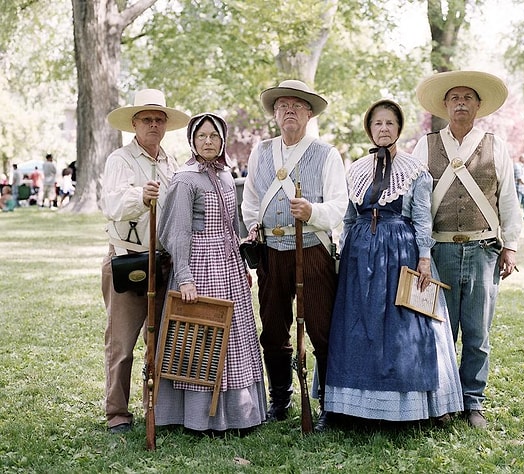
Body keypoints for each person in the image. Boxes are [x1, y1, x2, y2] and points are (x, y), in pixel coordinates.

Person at [324, 99, 463, 424]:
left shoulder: (414, 170)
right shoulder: (356, 169)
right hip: (360, 257)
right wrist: (344, 253)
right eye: (377, 124)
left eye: (389, 123)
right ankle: (351, 406)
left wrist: (424, 258)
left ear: (398, 128)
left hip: (401, 253)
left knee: (407, 326)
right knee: (357, 328)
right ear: (369, 130)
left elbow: (421, 218)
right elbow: (348, 217)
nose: (383, 129)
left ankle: (421, 405)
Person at [412, 71, 522, 429]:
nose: (460, 103)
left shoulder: (496, 146)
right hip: (437, 252)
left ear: (478, 106)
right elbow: (413, 202)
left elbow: (509, 200)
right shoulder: (424, 146)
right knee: (437, 330)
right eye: (454, 98)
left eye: (467, 98)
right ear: (445, 105)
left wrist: (511, 247)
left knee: (477, 333)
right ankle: (442, 400)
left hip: (482, 250)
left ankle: (473, 402)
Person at [241, 79, 348, 431]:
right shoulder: (261, 151)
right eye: (282, 105)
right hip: (272, 250)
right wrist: (254, 225)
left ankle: (330, 404)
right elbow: (252, 200)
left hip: (312, 250)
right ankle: (281, 398)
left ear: (308, 113)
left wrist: (312, 212)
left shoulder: (327, 154)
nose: (288, 110)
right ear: (274, 113)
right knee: (272, 328)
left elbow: (339, 205)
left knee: (321, 327)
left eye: (296, 105)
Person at [155, 113, 267, 432]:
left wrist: (242, 264)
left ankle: (239, 412)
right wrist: (186, 277)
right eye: (201, 136)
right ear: (192, 140)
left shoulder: (227, 176)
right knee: (202, 337)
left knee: (235, 336)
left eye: (214, 137)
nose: (208, 141)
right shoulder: (185, 178)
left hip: (228, 264)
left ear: (222, 141)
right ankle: (199, 417)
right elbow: (176, 232)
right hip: (200, 262)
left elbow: (233, 226)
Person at [101, 88, 190, 434]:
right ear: (134, 124)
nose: (153, 124)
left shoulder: (173, 164)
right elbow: (112, 204)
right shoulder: (119, 160)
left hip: (165, 263)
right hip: (129, 261)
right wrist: (140, 195)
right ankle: (117, 413)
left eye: (158, 119)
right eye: (146, 119)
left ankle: (158, 407)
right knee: (122, 343)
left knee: (163, 340)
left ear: (165, 125)